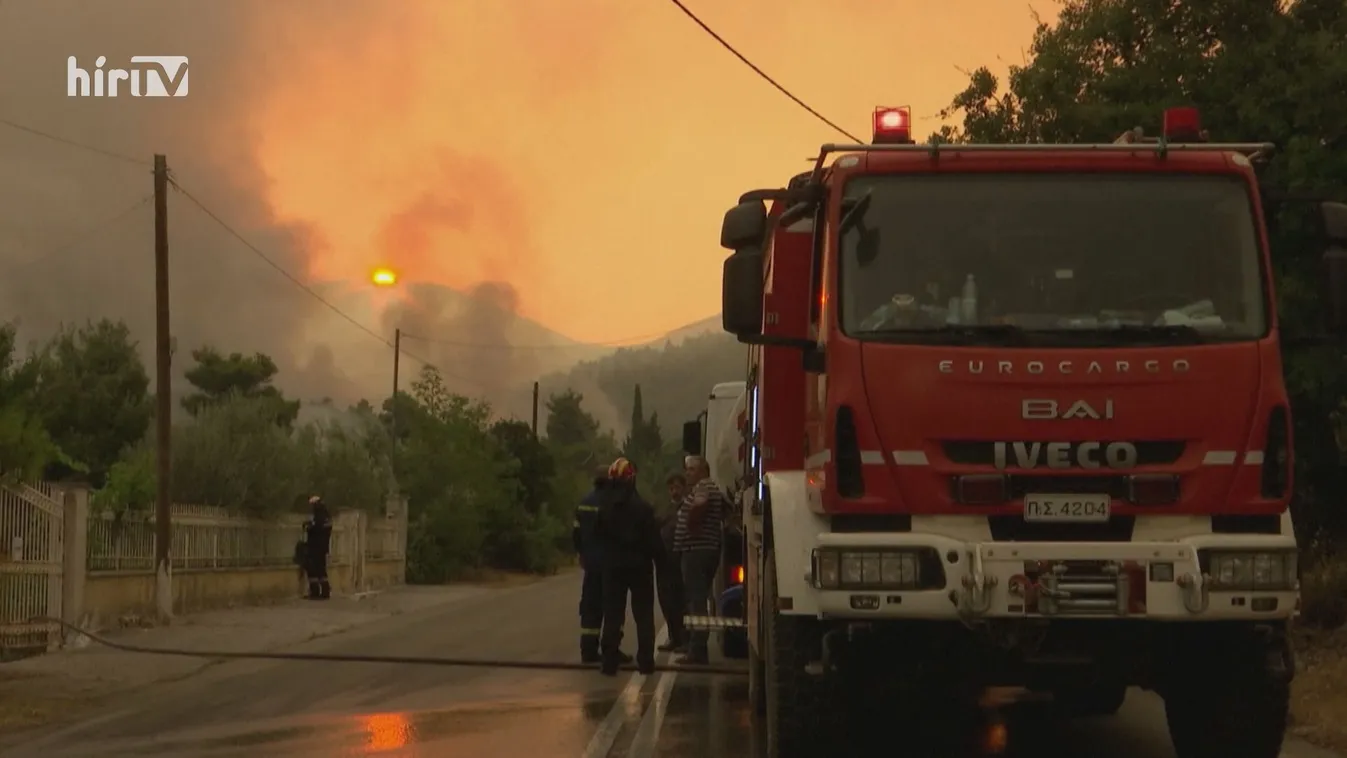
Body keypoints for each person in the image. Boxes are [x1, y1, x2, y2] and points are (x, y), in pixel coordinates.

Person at [593, 456, 662, 676]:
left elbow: (597, 536)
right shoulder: (643, 508)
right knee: (643, 615)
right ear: (632, 479)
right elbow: (654, 541)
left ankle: (609, 662)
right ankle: (646, 662)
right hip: (640, 569)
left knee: (612, 615)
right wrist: (664, 563)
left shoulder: (603, 507)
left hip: (613, 568)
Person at [574, 465, 632, 665]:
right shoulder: (613, 503)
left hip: (591, 563)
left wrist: (581, 553)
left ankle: (588, 651)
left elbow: (576, 532)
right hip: (611, 564)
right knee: (613, 608)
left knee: (590, 607)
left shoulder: (584, 502)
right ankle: (611, 650)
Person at [674, 456, 727, 665]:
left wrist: (692, 523)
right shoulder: (711, 487)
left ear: (703, 471)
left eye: (692, 469)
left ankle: (697, 650)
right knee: (697, 598)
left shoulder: (703, 486)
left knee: (696, 601)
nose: (688, 473)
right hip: (703, 549)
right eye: (687, 469)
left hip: (697, 551)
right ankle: (696, 647)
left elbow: (700, 503)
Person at [656, 471, 688, 653]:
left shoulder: (686, 507)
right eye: (671, 488)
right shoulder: (666, 508)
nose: (674, 491)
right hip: (664, 560)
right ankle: (673, 636)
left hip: (679, 559)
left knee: (680, 601)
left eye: (677, 487)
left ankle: (684, 639)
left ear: (683, 488)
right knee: (666, 600)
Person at [303, 495, 333, 600]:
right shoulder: (326, 517)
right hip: (323, 547)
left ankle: (316, 592)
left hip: (315, 546)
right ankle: (325, 591)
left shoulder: (319, 517)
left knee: (314, 569)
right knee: (321, 569)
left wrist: (309, 527)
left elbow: (315, 529)